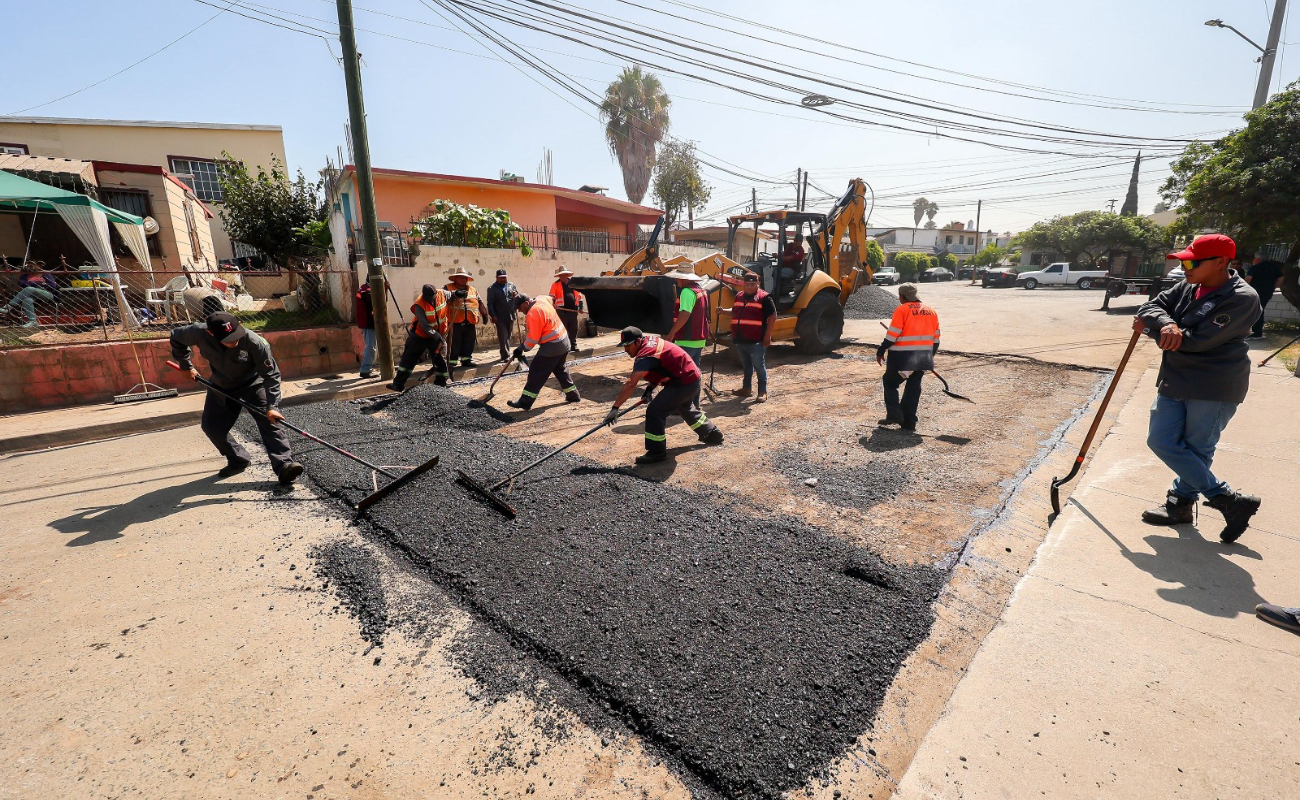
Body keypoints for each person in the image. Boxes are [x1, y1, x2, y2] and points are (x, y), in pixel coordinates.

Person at [1134, 233, 1261, 542]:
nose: (1185, 267)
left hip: (1213, 385)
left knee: (1197, 449)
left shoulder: (1242, 297)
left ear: (1220, 262)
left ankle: (1178, 506)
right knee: (1161, 441)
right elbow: (1151, 307)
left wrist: (1155, 328)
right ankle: (1228, 500)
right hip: (1175, 378)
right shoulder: (1188, 287)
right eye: (1184, 261)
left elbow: (1195, 341)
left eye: (1192, 261)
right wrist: (1165, 323)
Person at [170, 311, 304, 484]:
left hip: (253, 385)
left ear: (239, 324)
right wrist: (185, 366)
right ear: (211, 333)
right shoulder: (198, 332)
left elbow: (271, 375)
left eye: (236, 335)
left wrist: (272, 406)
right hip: (221, 385)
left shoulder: (255, 342)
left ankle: (284, 466)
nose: (235, 341)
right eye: (228, 340)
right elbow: (176, 337)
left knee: (270, 422)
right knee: (212, 427)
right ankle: (238, 459)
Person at [605, 326, 723, 465]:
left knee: (655, 411)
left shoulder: (645, 354)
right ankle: (712, 433)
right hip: (692, 379)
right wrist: (649, 389)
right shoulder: (650, 342)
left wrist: (615, 408)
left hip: (683, 383)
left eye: (627, 346)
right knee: (685, 407)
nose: (625, 350)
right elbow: (660, 368)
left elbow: (631, 383)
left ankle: (657, 452)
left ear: (637, 341)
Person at [876, 283, 940, 432]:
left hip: (902, 357)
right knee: (913, 387)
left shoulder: (902, 309)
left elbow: (892, 335)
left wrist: (881, 350)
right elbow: (936, 340)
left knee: (890, 382)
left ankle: (895, 414)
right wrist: (929, 358)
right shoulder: (931, 311)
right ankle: (909, 421)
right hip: (923, 356)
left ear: (901, 297)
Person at [506, 293, 581, 409]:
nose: (520, 311)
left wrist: (521, 348)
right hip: (564, 341)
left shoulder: (533, 313)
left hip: (553, 345)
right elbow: (552, 299)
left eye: (520, 308)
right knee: (560, 368)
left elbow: (533, 339)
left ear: (526, 303)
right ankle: (573, 394)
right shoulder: (541, 299)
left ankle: (525, 402)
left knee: (536, 371)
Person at [389, 284, 450, 392]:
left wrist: (458, 295)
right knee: (409, 357)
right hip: (420, 335)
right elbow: (425, 326)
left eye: (431, 298)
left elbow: (452, 295)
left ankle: (441, 383)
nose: (429, 300)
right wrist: (437, 336)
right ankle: (398, 384)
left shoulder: (442, 293)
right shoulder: (419, 304)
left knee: (439, 359)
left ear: (436, 293)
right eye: (427, 298)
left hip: (438, 333)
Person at [729, 271, 777, 402]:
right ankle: (746, 388)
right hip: (740, 339)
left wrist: (767, 336)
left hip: (756, 340)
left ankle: (762, 391)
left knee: (759, 366)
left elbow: (773, 316)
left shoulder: (764, 298)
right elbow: (734, 311)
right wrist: (723, 311)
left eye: (752, 284)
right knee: (746, 365)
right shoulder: (739, 296)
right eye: (747, 284)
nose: (749, 286)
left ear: (758, 284)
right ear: (743, 284)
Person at [664, 264, 710, 367]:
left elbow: (684, 314)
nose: (676, 280)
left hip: (686, 340)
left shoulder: (687, 292)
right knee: (694, 372)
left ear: (683, 278)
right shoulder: (700, 290)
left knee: (681, 373)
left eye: (678, 277)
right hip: (699, 340)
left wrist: (671, 334)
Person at [445, 267, 487, 369]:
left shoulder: (473, 290)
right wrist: (453, 295)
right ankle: (452, 361)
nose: (463, 280)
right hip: (455, 321)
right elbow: (441, 298)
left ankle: (466, 360)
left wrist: (484, 314)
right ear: (455, 279)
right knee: (454, 342)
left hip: (470, 321)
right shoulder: (447, 288)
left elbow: (480, 302)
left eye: (465, 278)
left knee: (469, 342)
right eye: (460, 278)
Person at [2, 262, 58, 328]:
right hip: (31, 294)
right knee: (27, 300)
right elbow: (21, 283)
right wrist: (40, 283)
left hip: (46, 293)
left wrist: (31, 283)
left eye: (32, 266)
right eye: (29, 266)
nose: (31, 268)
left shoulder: (46, 274)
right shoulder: (26, 275)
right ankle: (32, 321)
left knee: (29, 288)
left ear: (39, 267)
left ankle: (9, 306)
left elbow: (52, 286)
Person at [1245, 252, 1285, 340]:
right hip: (1267, 292)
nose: (1253, 260)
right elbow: (1281, 278)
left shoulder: (1255, 267)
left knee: (1255, 311)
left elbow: (1248, 279)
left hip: (1255, 292)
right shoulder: (1274, 267)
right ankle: (1256, 332)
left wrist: (1242, 287)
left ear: (1258, 259)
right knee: (1260, 310)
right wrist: (1273, 286)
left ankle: (1256, 333)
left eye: (1254, 258)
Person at [486, 268, 520, 361]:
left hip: (511, 315)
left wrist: (515, 295)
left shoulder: (511, 286)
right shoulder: (492, 289)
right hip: (499, 316)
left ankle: (506, 352)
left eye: (504, 277)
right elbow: (490, 303)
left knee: (508, 335)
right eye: (501, 278)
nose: (503, 279)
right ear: (496, 278)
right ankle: (505, 355)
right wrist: (493, 315)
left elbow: (517, 297)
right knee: (503, 336)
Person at [548, 265, 585, 351]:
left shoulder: (573, 284)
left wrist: (581, 307)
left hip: (573, 310)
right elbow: (551, 297)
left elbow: (579, 296)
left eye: (564, 275)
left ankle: (573, 345)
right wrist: (553, 304)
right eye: (561, 275)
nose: (563, 277)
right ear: (559, 276)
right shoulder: (555, 285)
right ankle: (565, 346)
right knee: (563, 329)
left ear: (567, 275)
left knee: (573, 328)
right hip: (562, 311)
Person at [355, 280, 376, 378]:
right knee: (371, 347)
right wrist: (383, 288)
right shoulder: (366, 291)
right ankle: (365, 370)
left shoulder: (364, 289)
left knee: (372, 346)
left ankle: (368, 368)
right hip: (369, 322)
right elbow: (374, 301)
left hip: (371, 322)